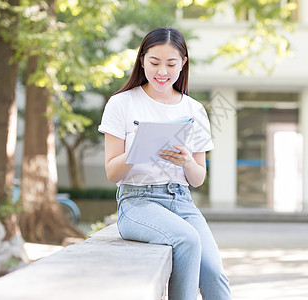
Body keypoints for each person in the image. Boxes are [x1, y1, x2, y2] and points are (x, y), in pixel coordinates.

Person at [98, 27, 232, 300]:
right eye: (154, 63)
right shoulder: (121, 104)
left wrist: (185, 161)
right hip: (137, 202)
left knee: (214, 274)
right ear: (142, 61)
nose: (162, 72)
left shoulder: (194, 109)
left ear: (183, 63)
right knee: (187, 239)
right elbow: (112, 172)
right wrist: (138, 149)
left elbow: (198, 178)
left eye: (171, 64)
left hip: (182, 201)